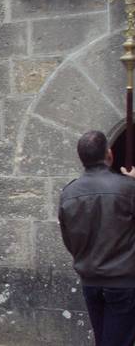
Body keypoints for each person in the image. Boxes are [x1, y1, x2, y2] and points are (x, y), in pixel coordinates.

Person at [59, 130, 135, 346]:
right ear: (109, 154)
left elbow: (69, 239)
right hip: (123, 281)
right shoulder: (128, 188)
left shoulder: (68, 193)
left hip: (90, 280)